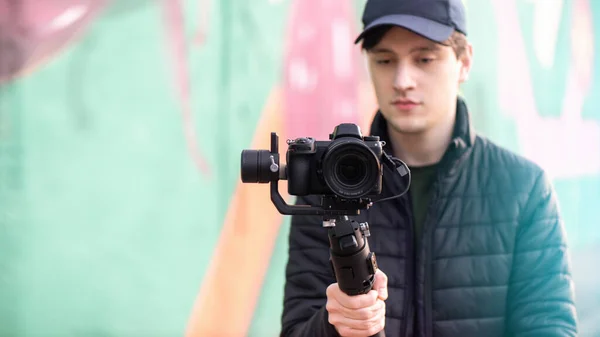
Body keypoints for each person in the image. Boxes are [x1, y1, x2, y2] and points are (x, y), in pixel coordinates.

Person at [279, 0, 579, 336]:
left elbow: (549, 327)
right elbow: (296, 329)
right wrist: (334, 325)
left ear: (464, 62)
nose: (402, 80)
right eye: (384, 60)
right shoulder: (325, 187)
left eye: (424, 58)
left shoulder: (524, 189)